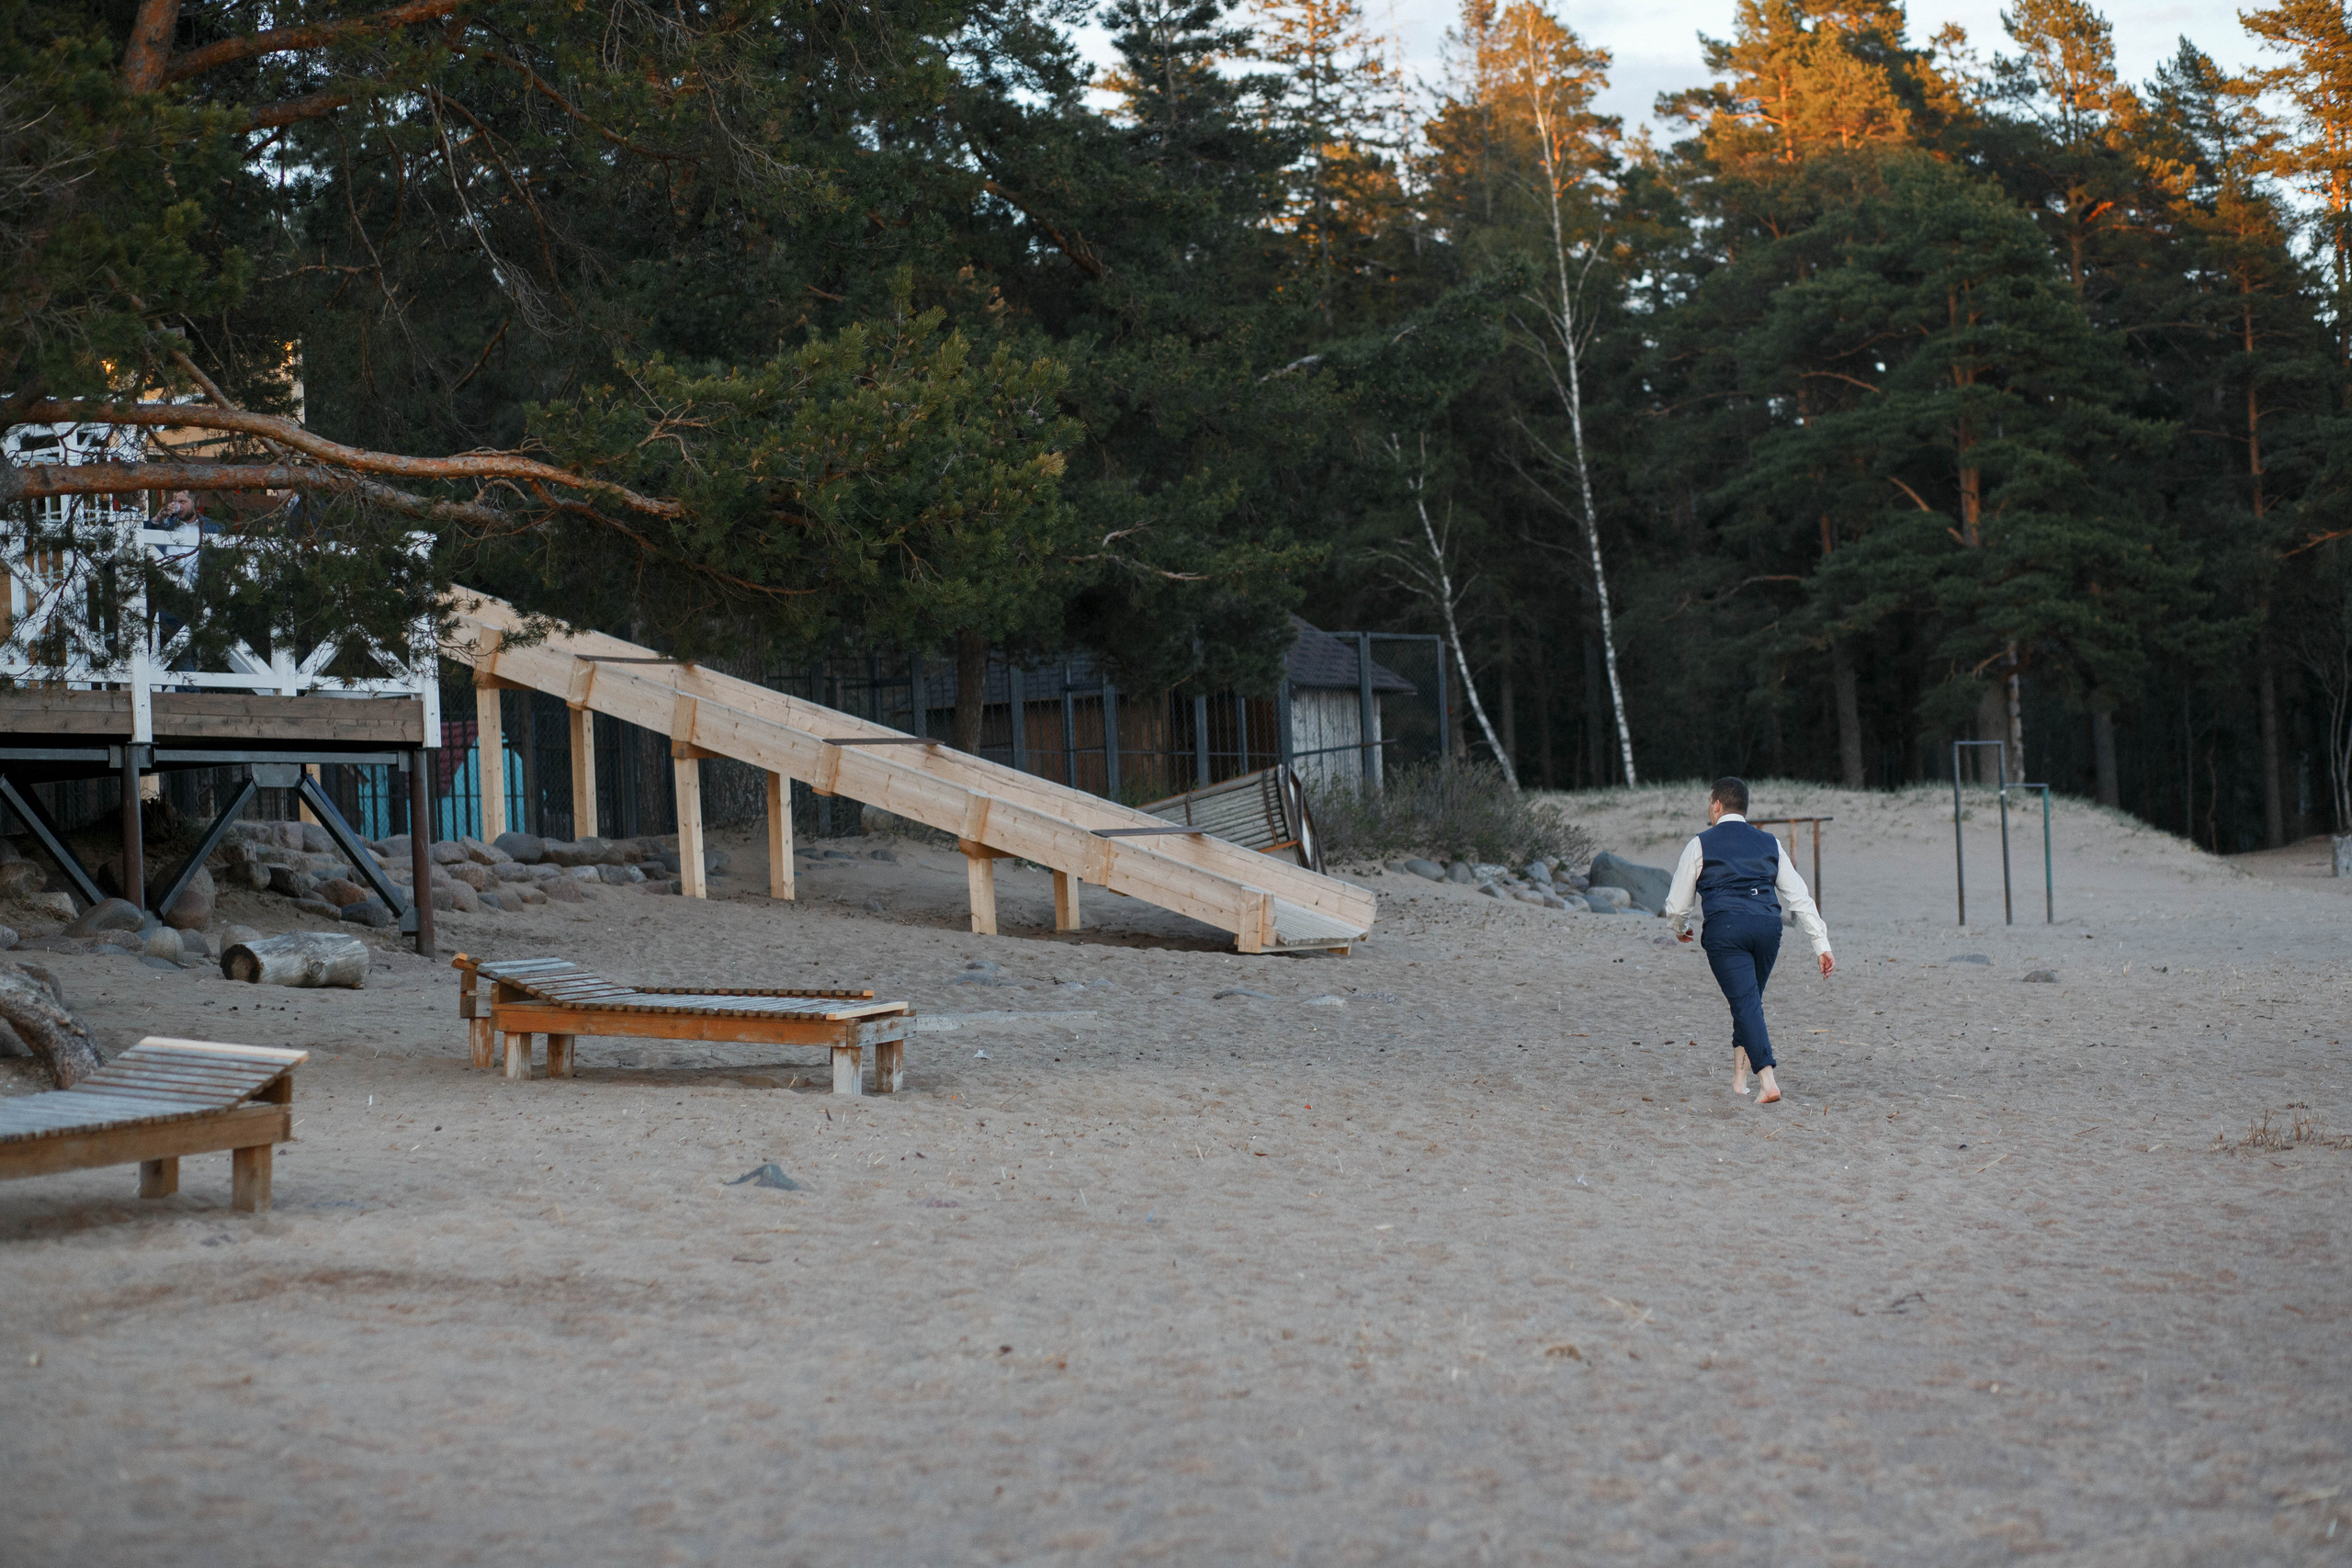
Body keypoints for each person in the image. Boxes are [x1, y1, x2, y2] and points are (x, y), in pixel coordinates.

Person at [1662, 777, 1835, 1104]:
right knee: (1748, 1001)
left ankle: (1767, 1080)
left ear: (1716, 804)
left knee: (1745, 1003)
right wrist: (1821, 944)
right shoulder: (1770, 842)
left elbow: (1676, 903)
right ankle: (1739, 1080)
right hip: (1769, 928)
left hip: (1726, 930)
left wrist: (1679, 927)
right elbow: (1798, 897)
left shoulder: (1700, 843)